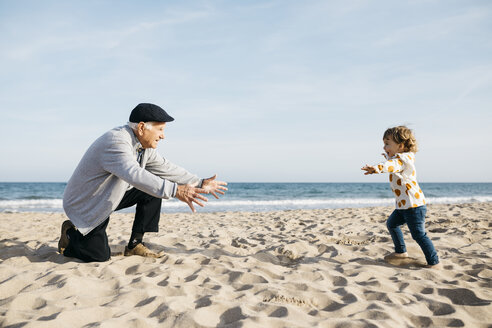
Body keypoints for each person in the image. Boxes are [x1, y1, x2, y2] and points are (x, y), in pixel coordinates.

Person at [59, 103, 228, 262]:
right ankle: (70, 233)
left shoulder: (142, 146)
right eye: (160, 129)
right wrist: (176, 190)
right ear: (141, 127)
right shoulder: (116, 142)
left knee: (152, 189)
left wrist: (199, 182)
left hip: (106, 196)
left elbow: (166, 168)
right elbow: (135, 174)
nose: (163, 135)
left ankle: (134, 244)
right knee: (99, 256)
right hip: (86, 203)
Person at [361, 126, 441, 269]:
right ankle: (401, 252)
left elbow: (392, 165)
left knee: (419, 235)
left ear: (401, 145)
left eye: (387, 143)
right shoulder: (398, 159)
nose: (384, 146)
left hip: (414, 206)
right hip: (403, 206)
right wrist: (386, 160)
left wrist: (376, 168)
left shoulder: (402, 160)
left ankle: (434, 262)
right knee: (392, 224)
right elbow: (392, 163)